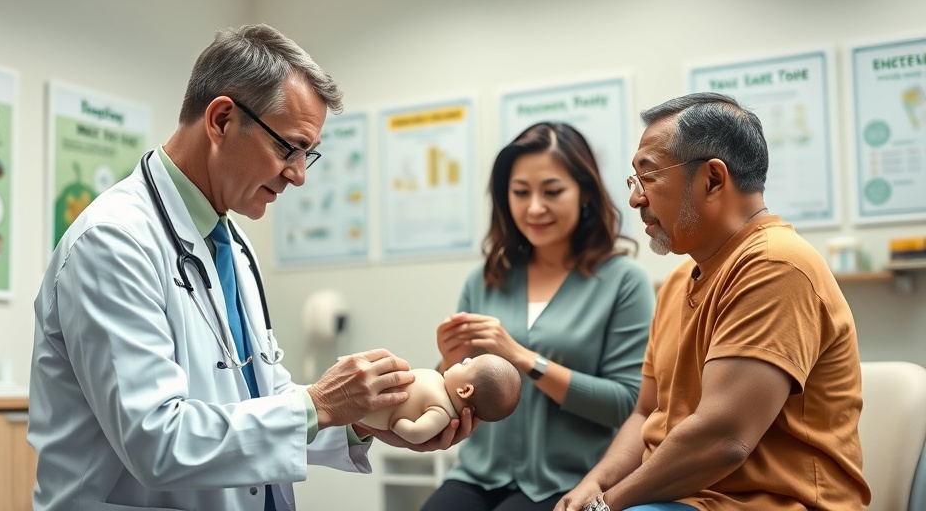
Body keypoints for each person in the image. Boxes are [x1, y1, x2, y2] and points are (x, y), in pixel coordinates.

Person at [27, 24, 474, 511]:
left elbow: (257, 394)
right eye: (289, 147)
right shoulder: (112, 242)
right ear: (221, 119)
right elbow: (156, 441)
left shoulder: (230, 242)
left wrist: (358, 419)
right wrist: (320, 403)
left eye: (308, 154)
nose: (299, 175)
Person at [556, 92, 870, 511]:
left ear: (713, 179)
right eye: (634, 181)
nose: (635, 199)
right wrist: (592, 486)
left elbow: (724, 438)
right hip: (682, 500)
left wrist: (607, 506)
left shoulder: (777, 265)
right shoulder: (678, 282)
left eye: (647, 177)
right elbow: (645, 413)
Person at [423, 122, 655, 511]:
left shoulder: (624, 281)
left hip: (569, 481)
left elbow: (627, 403)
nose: (534, 208)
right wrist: (447, 362)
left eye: (552, 191)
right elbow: (455, 391)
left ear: (584, 193)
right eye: (520, 192)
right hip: (477, 474)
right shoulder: (485, 279)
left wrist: (523, 358)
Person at [361, 354, 522, 444]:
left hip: (371, 409)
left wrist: (396, 424)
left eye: (466, 365)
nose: (464, 359)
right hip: (368, 388)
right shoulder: (439, 381)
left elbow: (417, 434)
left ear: (464, 390)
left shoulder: (442, 412)